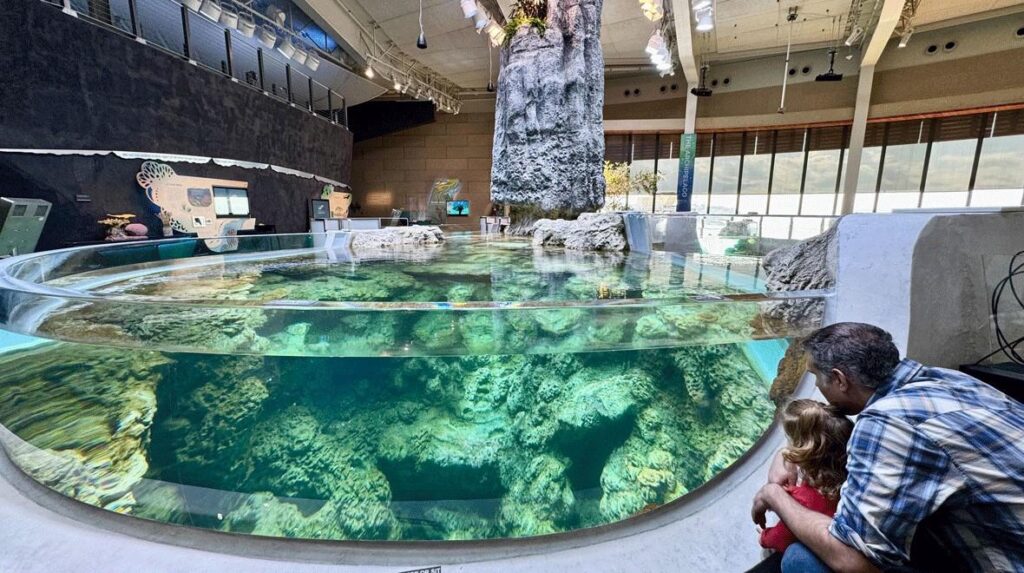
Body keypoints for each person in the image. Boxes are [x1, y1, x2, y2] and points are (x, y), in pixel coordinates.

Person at [750, 322, 1024, 573]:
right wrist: (787, 453)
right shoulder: (948, 380)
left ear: (840, 380)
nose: (818, 389)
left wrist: (774, 496)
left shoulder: (885, 422)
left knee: (800, 559)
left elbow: (854, 561)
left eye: (817, 379)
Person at [759, 400, 854, 554]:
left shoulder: (803, 499)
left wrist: (764, 537)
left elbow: (780, 539)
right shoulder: (853, 469)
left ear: (803, 450)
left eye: (792, 441)